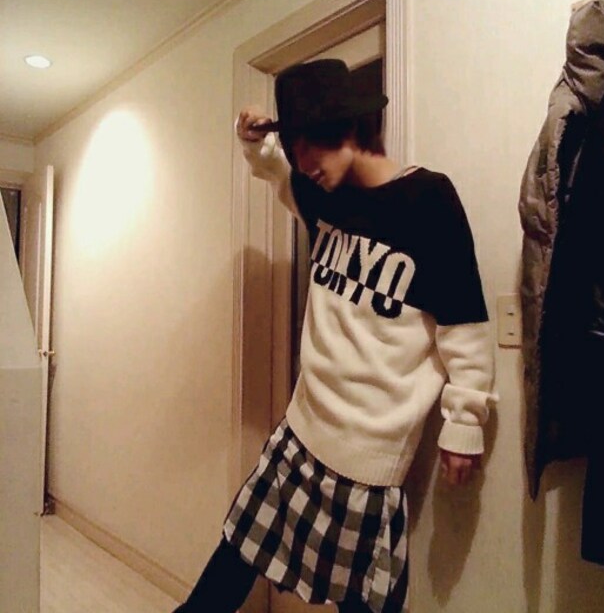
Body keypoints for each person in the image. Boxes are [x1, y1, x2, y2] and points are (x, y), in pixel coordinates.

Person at [173, 59, 497, 613]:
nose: (302, 162)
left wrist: (464, 423)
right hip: (299, 433)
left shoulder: (428, 200)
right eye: (293, 145)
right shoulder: (326, 196)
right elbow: (275, 169)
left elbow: (463, 323)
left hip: (372, 459)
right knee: (225, 572)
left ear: (348, 129)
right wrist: (251, 137)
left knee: (368, 600)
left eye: (309, 145)